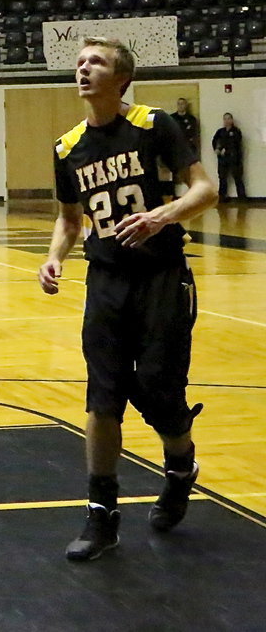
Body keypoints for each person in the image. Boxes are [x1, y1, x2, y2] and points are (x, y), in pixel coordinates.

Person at [38, 36, 216, 564]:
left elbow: (204, 189)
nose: (84, 69)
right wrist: (55, 257)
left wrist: (162, 216)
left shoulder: (154, 125)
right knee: (104, 396)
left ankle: (180, 466)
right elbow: (70, 218)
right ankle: (102, 515)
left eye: (96, 62)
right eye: (80, 62)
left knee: (159, 390)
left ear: (122, 79)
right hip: (107, 281)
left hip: (162, 276)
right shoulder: (67, 146)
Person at [212, 112, 247, 201]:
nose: (227, 121)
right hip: (223, 159)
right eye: (225, 119)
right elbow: (214, 141)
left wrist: (225, 149)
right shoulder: (220, 131)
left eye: (228, 119)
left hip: (234, 159)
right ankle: (222, 197)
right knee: (222, 178)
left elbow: (234, 143)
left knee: (238, 178)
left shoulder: (236, 131)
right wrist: (217, 149)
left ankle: (242, 198)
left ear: (232, 120)